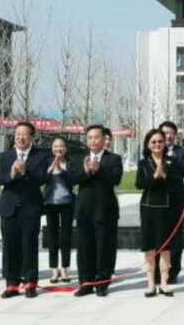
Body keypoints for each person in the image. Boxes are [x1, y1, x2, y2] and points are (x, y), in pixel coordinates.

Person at [0, 122, 48, 298]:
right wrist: (11, 174)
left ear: (31, 137)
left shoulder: (40, 155)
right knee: (9, 246)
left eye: (24, 134)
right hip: (9, 207)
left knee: (29, 245)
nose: (20, 138)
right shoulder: (5, 155)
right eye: (17, 134)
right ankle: (12, 284)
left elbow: (41, 179)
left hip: (30, 208)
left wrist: (25, 172)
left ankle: (30, 282)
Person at [68, 125, 123, 297]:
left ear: (104, 139)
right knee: (84, 247)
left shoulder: (113, 159)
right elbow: (71, 179)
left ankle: (102, 282)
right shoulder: (78, 158)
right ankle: (85, 282)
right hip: (84, 209)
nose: (93, 140)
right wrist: (85, 172)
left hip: (105, 209)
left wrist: (99, 170)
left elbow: (116, 179)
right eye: (90, 137)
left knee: (104, 246)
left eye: (96, 137)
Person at [137, 129, 180, 297]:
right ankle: (150, 284)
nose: (157, 144)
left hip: (167, 209)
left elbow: (176, 183)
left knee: (165, 247)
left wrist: (165, 175)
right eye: (153, 142)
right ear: (148, 144)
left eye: (160, 141)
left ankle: (164, 283)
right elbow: (140, 185)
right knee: (150, 246)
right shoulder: (143, 163)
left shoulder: (172, 161)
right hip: (148, 208)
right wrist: (155, 176)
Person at [154, 120, 184, 284]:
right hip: (157, 199)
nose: (168, 136)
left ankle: (173, 271)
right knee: (158, 236)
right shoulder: (152, 151)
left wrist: (172, 161)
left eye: (171, 133)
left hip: (177, 199)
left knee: (176, 237)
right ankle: (156, 272)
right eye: (165, 133)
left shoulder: (182, 153)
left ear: (175, 135)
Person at [42, 137, 75, 283]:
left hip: (67, 203)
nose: (58, 149)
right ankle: (54, 269)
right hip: (50, 204)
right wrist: (50, 169)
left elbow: (74, 181)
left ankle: (65, 269)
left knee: (66, 237)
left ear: (66, 149)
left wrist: (62, 171)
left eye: (61, 146)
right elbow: (41, 179)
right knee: (52, 237)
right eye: (55, 146)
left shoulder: (71, 163)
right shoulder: (47, 162)